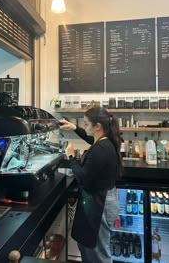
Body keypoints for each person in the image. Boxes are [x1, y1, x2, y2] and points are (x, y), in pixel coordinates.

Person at [59, 106, 123, 263]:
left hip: (100, 204)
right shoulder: (105, 140)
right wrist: (74, 128)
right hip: (101, 200)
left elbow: (83, 177)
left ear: (98, 126)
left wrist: (72, 156)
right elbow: (89, 139)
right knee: (89, 247)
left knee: (98, 253)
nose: (85, 126)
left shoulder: (102, 148)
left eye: (86, 124)